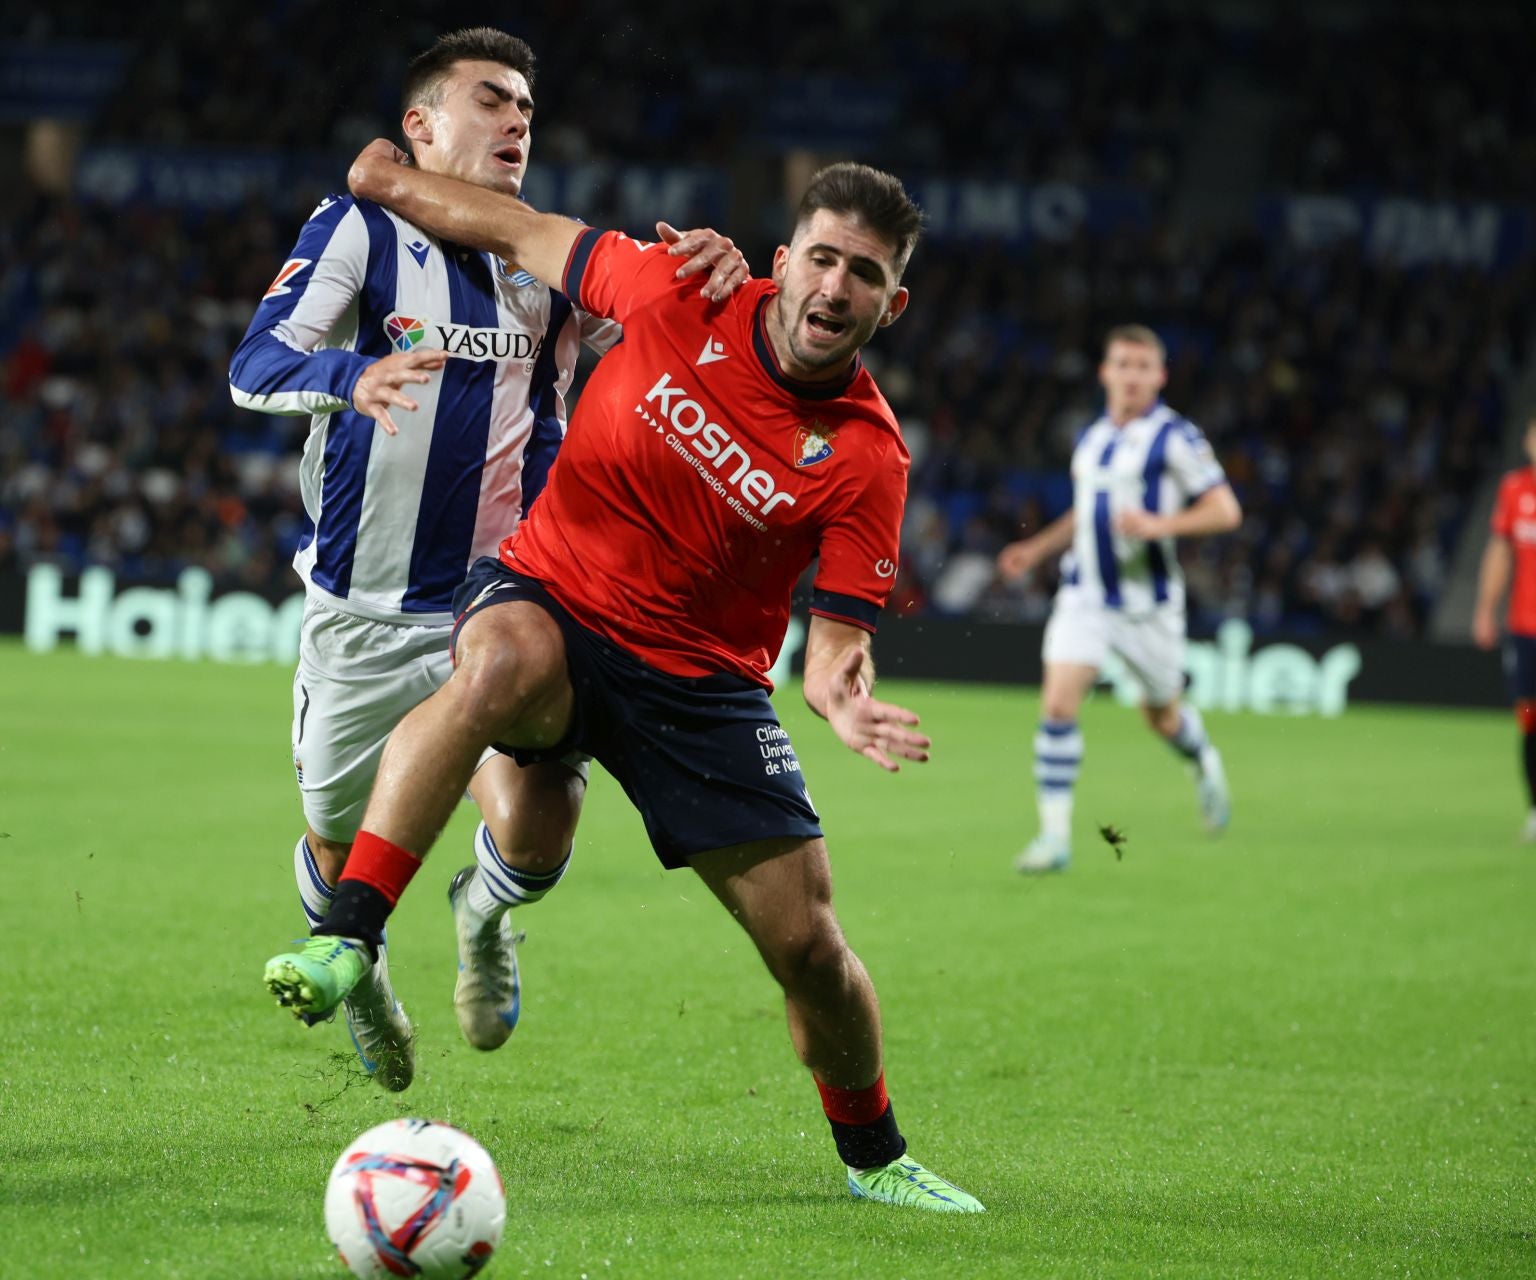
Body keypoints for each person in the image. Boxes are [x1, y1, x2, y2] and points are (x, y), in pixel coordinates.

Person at [265, 142, 986, 1212]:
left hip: (700, 688)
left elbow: (835, 638)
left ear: (895, 303)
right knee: (495, 662)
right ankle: (347, 934)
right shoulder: (670, 286)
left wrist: (843, 694)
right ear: (782, 262)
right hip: (551, 597)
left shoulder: (868, 455)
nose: (837, 287)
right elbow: (516, 229)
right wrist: (386, 181)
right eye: (825, 259)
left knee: (811, 946)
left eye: (865, 274)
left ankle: (876, 1154)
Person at [227, 28, 749, 1092]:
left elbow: (669, 337)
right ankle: (362, 966)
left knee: (544, 827)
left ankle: (485, 910)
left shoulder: (544, 258)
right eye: (490, 99)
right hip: (367, 608)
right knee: (337, 847)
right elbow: (254, 364)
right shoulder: (360, 230)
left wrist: (718, 267)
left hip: (507, 594)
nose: (517, 120)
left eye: (525, 107)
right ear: (420, 126)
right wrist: (350, 373)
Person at [996, 326, 1243, 873]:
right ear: (1105, 372)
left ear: (1160, 376)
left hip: (1147, 605)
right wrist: (1036, 550)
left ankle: (1204, 764)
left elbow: (1226, 511)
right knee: (1059, 702)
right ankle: (1054, 838)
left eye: (1142, 366)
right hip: (1084, 595)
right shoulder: (1093, 439)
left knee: (1162, 716)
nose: (1131, 376)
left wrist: (1163, 524)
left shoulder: (1176, 437)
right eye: (1122, 365)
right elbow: (1088, 512)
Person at [1473, 416, 1536, 841]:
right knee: (1530, 720)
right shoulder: (1515, 489)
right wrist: (1484, 609)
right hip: (1526, 628)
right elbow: (1500, 552)